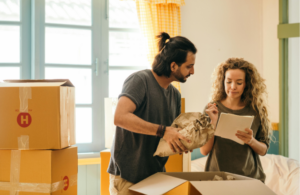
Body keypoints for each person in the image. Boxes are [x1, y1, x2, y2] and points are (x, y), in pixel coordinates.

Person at [108, 32, 200, 195]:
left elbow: (168, 137)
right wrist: (163, 131)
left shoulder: (175, 95)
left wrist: (183, 142)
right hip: (127, 179)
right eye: (188, 66)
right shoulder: (140, 80)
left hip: (156, 178)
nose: (192, 71)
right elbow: (120, 117)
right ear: (173, 66)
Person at [200, 57, 271, 183]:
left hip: (250, 180)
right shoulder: (211, 109)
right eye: (228, 82)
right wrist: (213, 123)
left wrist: (251, 141)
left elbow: (263, 150)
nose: (233, 87)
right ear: (223, 81)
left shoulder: (256, 111)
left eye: (239, 83)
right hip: (217, 179)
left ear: (246, 84)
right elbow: (204, 150)